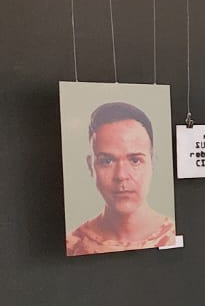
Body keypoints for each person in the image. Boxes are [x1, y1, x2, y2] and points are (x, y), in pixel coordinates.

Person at [66, 101, 177, 256]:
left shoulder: (174, 235)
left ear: (153, 163)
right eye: (107, 161)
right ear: (91, 166)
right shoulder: (72, 246)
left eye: (135, 160)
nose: (121, 176)